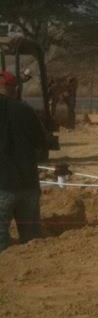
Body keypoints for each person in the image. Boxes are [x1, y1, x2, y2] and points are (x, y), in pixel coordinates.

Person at [0, 70, 48, 251]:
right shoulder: (26, 110)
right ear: (14, 88)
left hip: (2, 186)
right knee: (32, 242)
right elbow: (42, 145)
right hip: (28, 184)